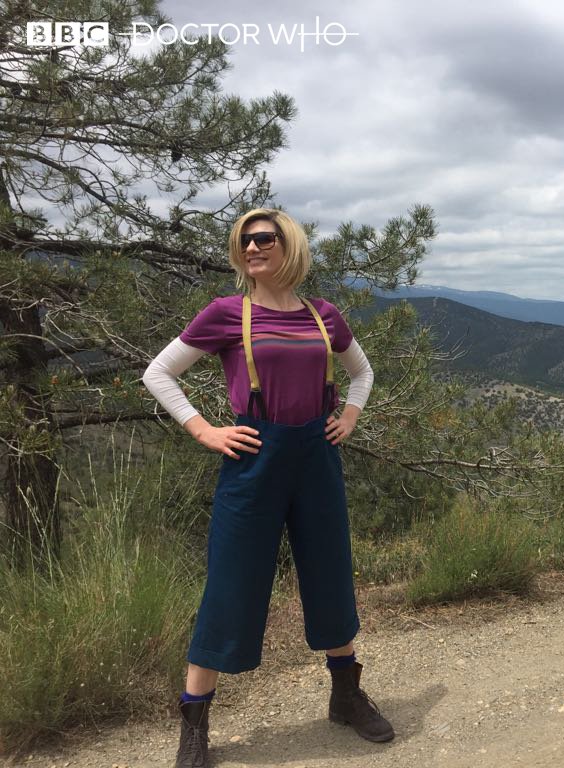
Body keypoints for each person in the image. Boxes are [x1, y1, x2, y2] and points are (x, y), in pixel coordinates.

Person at [142, 208, 394, 768]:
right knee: (230, 584)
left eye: (264, 238)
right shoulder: (228, 313)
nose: (252, 248)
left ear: (290, 245)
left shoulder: (323, 315)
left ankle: (346, 696)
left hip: (315, 458)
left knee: (330, 573)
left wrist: (350, 417)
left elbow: (362, 372)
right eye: (244, 241)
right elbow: (158, 373)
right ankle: (194, 723)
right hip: (253, 459)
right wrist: (203, 429)